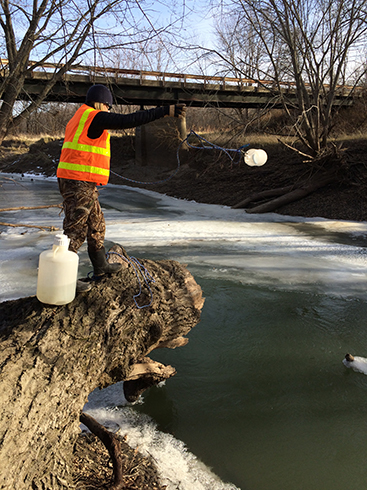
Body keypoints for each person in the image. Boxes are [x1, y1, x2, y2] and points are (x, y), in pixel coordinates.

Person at [57, 84, 186, 292]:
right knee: (75, 230)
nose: (109, 109)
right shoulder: (94, 116)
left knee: (96, 224)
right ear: (100, 103)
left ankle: (101, 267)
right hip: (76, 181)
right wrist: (164, 111)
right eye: (108, 105)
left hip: (82, 181)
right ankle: (61, 279)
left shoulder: (82, 117)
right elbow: (128, 120)